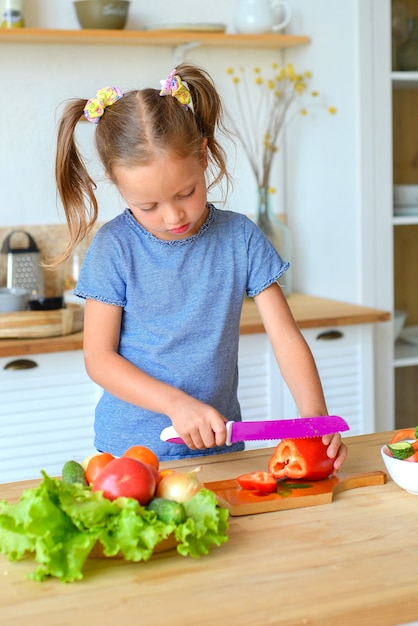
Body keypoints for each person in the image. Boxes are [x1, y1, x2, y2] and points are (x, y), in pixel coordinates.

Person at [54, 63, 347, 468]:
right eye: (148, 206)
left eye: (186, 192)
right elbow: (99, 359)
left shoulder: (240, 238)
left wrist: (315, 417)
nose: (173, 216)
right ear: (116, 183)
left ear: (204, 155)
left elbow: (286, 339)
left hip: (219, 449)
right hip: (129, 455)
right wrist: (177, 404)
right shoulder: (114, 248)